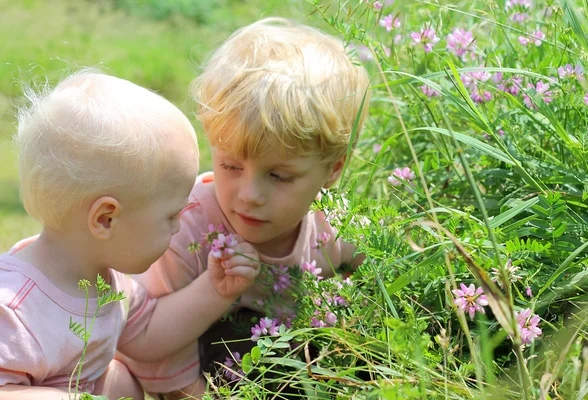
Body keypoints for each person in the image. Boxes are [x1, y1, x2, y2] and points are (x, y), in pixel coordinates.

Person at [124, 17, 371, 399]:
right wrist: (191, 394)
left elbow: (377, 264)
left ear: (332, 170)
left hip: (283, 363)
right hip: (196, 375)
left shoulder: (330, 220)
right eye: (231, 166)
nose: (249, 195)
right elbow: (144, 337)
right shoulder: (183, 226)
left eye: (279, 176)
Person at [0, 71, 260, 399]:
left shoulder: (107, 282)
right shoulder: (14, 309)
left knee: (120, 379)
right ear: (107, 219)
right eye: (169, 216)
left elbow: (150, 334)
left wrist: (214, 289)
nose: (178, 227)